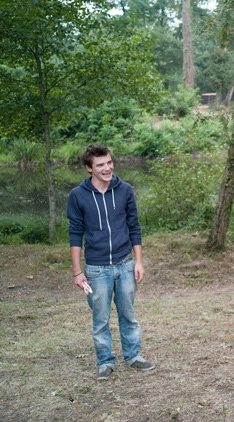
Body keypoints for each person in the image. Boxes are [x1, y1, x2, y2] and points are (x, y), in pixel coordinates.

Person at [67, 144, 155, 380]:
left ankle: (133, 356)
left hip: (126, 264)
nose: (107, 168)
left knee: (128, 314)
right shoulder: (77, 196)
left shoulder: (125, 190)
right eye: (100, 165)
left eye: (109, 162)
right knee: (100, 319)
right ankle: (105, 362)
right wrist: (78, 273)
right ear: (89, 168)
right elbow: (75, 234)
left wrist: (139, 261)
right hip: (95, 270)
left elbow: (134, 227)